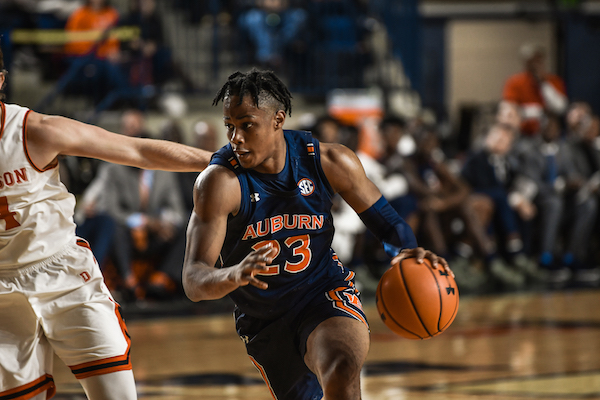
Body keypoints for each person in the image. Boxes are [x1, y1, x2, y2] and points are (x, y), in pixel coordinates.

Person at [182, 69, 450, 400]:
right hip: (266, 321)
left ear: (278, 119)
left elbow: (389, 223)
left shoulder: (328, 160)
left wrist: (405, 250)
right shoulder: (219, 183)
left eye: (246, 124)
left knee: (341, 369)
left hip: (322, 293)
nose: (235, 137)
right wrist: (232, 274)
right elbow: (194, 280)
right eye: (229, 126)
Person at [0, 46, 211, 400]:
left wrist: (221, 162)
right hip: (3, 289)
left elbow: (137, 150)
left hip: (62, 273)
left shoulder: (34, 130)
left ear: (1, 80)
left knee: (117, 396)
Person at [502, 43, 568, 136]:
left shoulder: (554, 81)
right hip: (523, 133)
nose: (535, 64)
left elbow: (560, 108)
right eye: (531, 60)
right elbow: (510, 111)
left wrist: (543, 83)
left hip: (550, 134)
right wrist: (540, 111)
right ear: (525, 62)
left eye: (538, 60)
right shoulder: (514, 82)